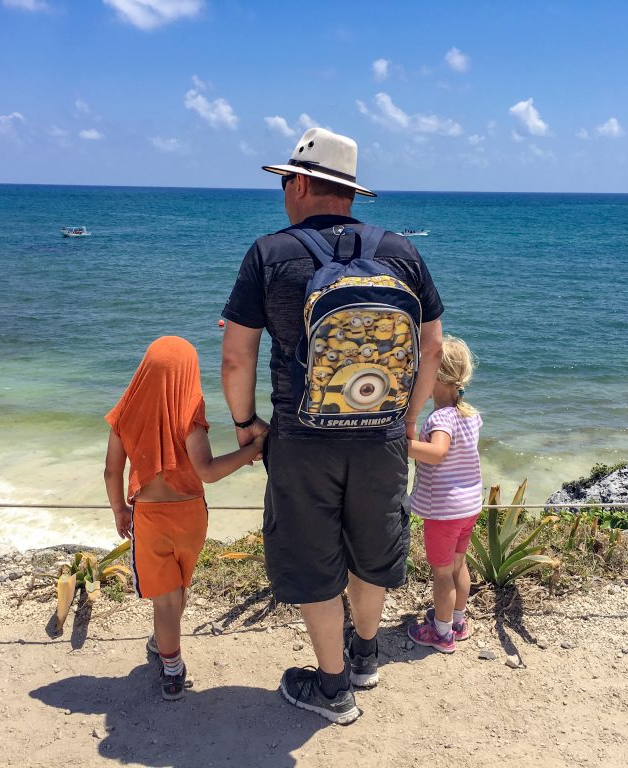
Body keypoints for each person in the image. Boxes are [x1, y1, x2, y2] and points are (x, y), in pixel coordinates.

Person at [221, 127, 444, 724]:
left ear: (297, 184)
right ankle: (365, 657)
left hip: (301, 436)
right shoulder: (401, 252)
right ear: (349, 191)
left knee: (313, 557)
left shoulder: (269, 254)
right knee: (372, 548)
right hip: (384, 435)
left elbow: (236, 356)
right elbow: (432, 345)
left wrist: (246, 424)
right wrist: (407, 416)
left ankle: (332, 686)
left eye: (283, 183)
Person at [103, 336, 265, 701]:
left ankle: (172, 669)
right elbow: (207, 470)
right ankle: (165, 641)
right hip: (191, 515)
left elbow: (112, 472)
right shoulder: (188, 412)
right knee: (179, 587)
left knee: (165, 596)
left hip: (150, 518)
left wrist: (119, 509)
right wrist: (252, 450)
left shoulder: (125, 413)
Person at [405, 335, 483, 653]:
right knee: (457, 566)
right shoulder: (470, 414)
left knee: (441, 575)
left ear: (436, 376)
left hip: (444, 511)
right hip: (468, 506)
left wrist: (401, 445)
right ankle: (458, 622)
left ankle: (441, 633)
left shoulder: (441, 418)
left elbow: (437, 453)